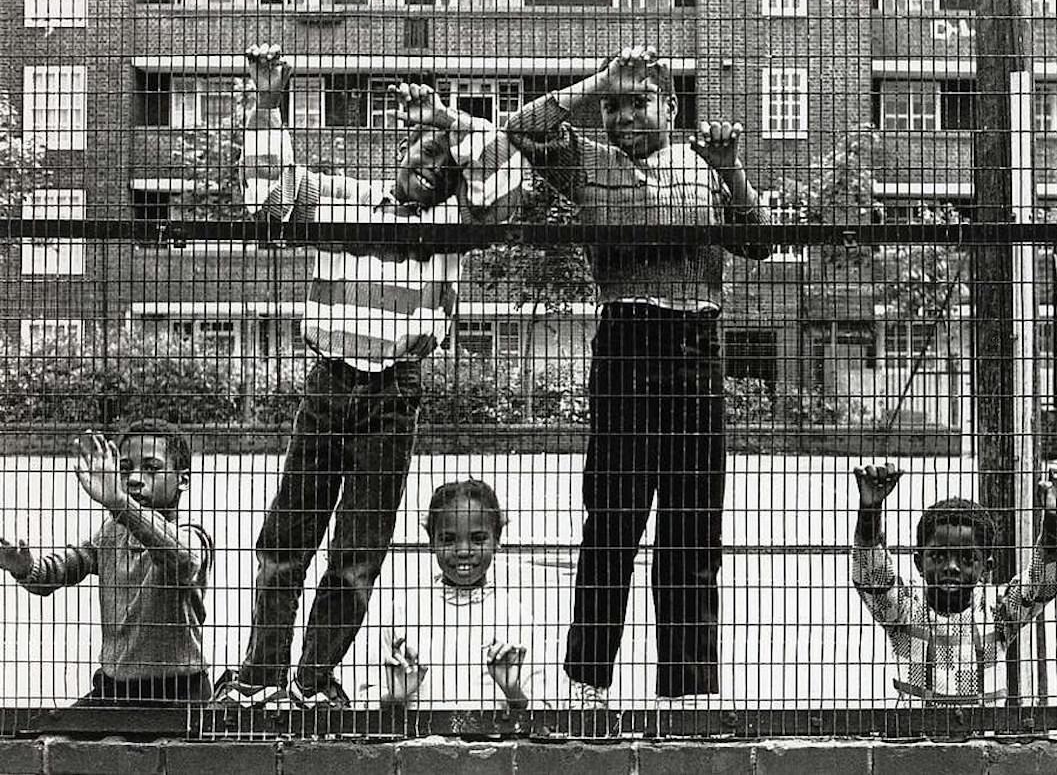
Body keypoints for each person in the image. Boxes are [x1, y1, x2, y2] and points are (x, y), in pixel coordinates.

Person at [213, 44, 522, 709]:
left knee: (356, 553)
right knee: (285, 539)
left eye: (441, 158)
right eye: (419, 147)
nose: (424, 160)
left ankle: (312, 682)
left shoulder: (454, 225)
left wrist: (447, 115)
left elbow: (503, 184)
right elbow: (266, 194)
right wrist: (269, 103)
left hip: (392, 398)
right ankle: (262, 675)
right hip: (328, 388)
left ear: (454, 177)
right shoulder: (345, 199)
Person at [505, 44, 772, 706]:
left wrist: (732, 170)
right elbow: (522, 126)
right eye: (614, 106)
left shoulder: (707, 166)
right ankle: (586, 681)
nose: (623, 116)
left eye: (638, 102)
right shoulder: (591, 164)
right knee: (614, 520)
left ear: (671, 107)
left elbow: (761, 239)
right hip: (627, 342)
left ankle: (688, 689)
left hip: (697, 344)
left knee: (693, 524)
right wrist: (597, 79)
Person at [0, 421, 213, 707]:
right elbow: (66, 566)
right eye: (125, 469)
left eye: (151, 468)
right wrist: (24, 567)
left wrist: (121, 504)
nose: (135, 478)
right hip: (114, 690)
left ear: (182, 480)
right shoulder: (112, 532)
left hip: (177, 694)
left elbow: (183, 559)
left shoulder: (192, 534)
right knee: (44, 738)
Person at [851, 457, 1057, 704]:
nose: (951, 567)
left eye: (966, 558)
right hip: (915, 739)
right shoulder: (905, 609)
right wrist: (870, 511)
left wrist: (1054, 523)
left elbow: (1042, 585)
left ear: (987, 568)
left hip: (981, 739)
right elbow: (871, 578)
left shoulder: (998, 610)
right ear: (919, 563)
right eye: (938, 556)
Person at [381, 480, 537, 710]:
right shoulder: (405, 609)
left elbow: (544, 714)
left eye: (478, 539)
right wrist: (395, 698)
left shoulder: (515, 614)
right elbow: (369, 705)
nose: (463, 551)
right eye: (448, 539)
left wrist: (513, 692)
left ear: (497, 539)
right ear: (431, 541)